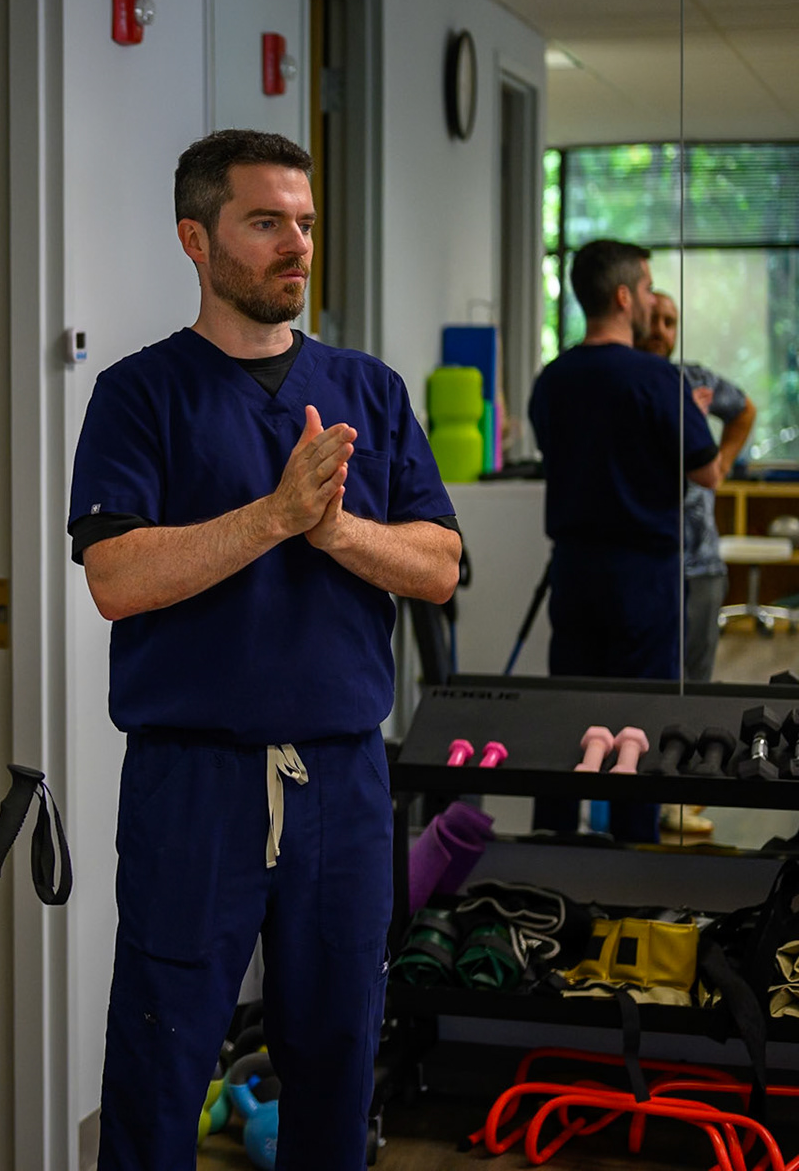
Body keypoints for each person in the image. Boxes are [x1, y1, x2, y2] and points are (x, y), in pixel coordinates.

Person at [68, 129, 460, 1170]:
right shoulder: (141, 394)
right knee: (160, 1063)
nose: (297, 245)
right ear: (196, 239)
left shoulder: (369, 391)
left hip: (343, 778)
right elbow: (116, 577)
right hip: (194, 785)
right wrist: (276, 517)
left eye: (306, 222)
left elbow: (438, 564)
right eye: (265, 222)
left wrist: (337, 533)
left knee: (336, 1059)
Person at [527, 243, 723, 844]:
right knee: (641, 719)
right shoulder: (658, 378)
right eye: (644, 289)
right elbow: (709, 472)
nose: (648, 300)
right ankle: (635, 854)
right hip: (644, 575)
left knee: (570, 712)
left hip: (575, 570)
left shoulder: (552, 380)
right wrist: (688, 417)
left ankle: (551, 849)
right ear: (622, 297)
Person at [641, 289, 756, 683]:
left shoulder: (692, 378)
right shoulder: (621, 382)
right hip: (641, 560)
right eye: (653, 319)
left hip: (700, 560)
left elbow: (744, 410)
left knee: (696, 682)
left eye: (669, 322)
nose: (659, 330)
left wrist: (721, 463)